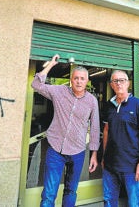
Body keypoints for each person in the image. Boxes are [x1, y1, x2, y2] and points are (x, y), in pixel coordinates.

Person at [31, 54, 100, 207]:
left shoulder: (92, 101)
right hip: (55, 150)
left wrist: (94, 153)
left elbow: (95, 127)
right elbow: (36, 84)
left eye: (82, 79)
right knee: (49, 194)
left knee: (71, 191)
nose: (79, 81)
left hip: (77, 152)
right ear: (71, 79)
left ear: (87, 81)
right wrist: (50, 65)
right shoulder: (59, 92)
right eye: (76, 78)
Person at [102, 70, 139, 207]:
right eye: (115, 81)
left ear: (128, 83)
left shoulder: (138, 104)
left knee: (134, 203)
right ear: (111, 85)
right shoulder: (108, 106)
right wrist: (104, 157)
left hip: (132, 166)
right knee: (109, 200)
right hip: (110, 166)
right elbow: (106, 131)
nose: (118, 83)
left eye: (122, 80)